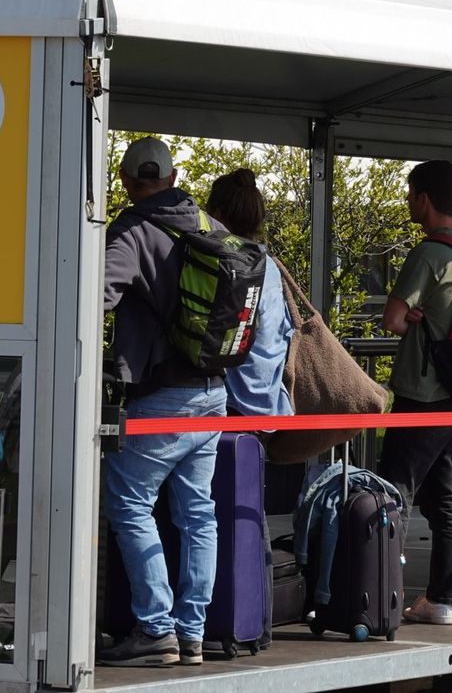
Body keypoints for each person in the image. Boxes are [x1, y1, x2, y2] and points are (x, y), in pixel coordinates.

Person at [99, 136, 227, 667]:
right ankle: (191, 632)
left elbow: (93, 293)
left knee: (129, 501)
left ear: (127, 181)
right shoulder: (211, 228)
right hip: (214, 393)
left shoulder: (131, 230)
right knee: (199, 514)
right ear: (173, 179)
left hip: (161, 400)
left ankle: (154, 628)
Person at [378, 160, 452, 626]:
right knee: (446, 495)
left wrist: (411, 316)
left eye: (411, 193)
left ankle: (381, 594)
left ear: (424, 199)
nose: (408, 201)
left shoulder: (429, 253)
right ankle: (443, 598)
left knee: (394, 489)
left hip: (422, 392)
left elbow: (393, 319)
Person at [205, 168, 294, 419]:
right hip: (270, 399)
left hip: (232, 402)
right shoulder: (269, 266)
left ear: (218, 216)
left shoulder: (218, 264)